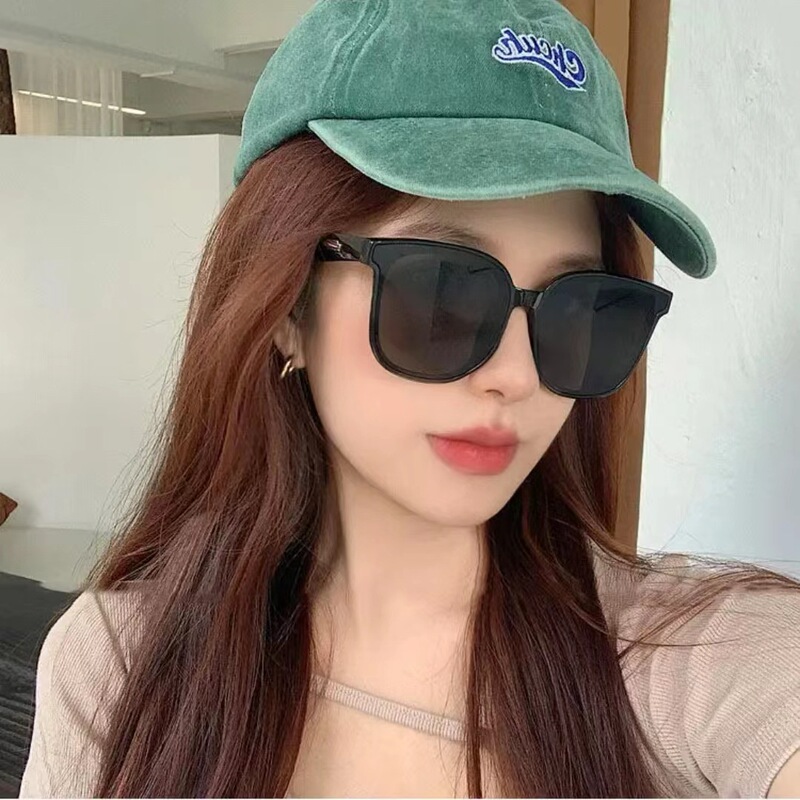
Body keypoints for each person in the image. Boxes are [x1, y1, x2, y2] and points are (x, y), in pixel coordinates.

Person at [18, 0, 800, 797]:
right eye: (440, 294)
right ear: (287, 309)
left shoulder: (688, 661)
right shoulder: (120, 669)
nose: (517, 376)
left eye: (578, 309)